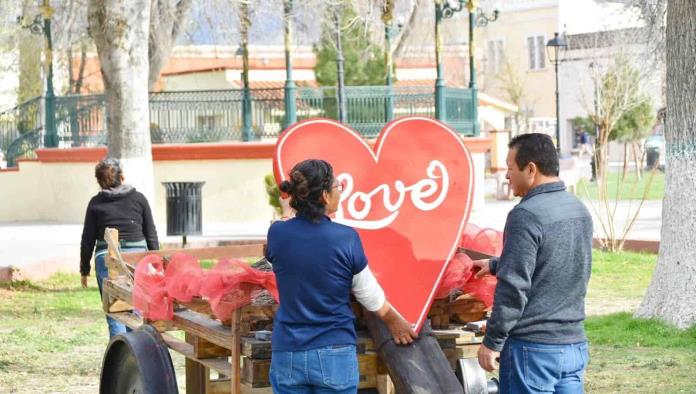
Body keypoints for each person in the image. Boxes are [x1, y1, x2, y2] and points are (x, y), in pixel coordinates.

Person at [265, 159, 417, 393]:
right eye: (338, 186)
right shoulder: (345, 238)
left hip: (288, 351)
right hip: (333, 350)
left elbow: (274, 251)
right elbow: (368, 294)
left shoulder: (277, 233)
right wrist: (394, 322)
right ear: (325, 196)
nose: (340, 191)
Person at [474, 134, 592, 393]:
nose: (507, 176)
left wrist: (492, 342)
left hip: (532, 351)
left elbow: (513, 288)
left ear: (531, 169)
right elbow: (558, 261)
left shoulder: (525, 215)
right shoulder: (578, 209)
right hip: (574, 346)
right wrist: (496, 264)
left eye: (509, 167)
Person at [80, 158, 159, 338]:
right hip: (137, 259)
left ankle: (119, 362)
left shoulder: (95, 203)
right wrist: (156, 263)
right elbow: (151, 233)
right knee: (137, 310)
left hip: (106, 258)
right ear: (122, 177)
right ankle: (138, 359)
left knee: (115, 314)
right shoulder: (139, 199)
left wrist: (84, 270)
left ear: (99, 181)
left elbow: (87, 240)